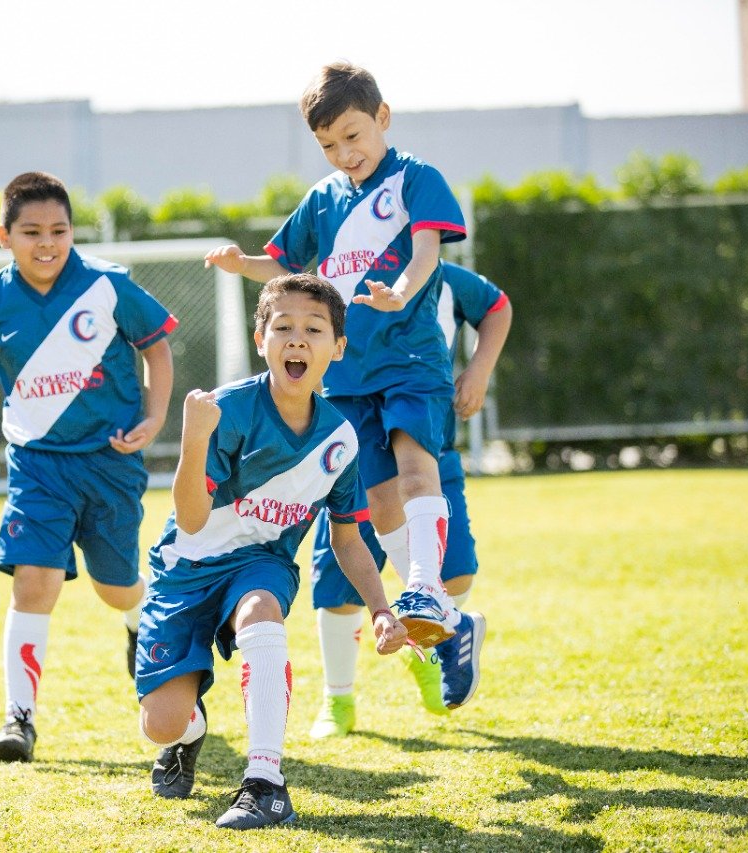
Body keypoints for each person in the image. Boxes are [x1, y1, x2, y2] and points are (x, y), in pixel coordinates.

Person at [204, 60, 485, 708]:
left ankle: (424, 586)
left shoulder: (417, 178)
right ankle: (450, 623)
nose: (344, 153)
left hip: (411, 358)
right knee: (379, 502)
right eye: (329, 145)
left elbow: (426, 252)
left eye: (353, 136)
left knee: (419, 471)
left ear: (382, 119)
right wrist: (236, 261)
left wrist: (401, 293)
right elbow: (280, 260)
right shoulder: (323, 200)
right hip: (348, 375)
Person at [0, 171, 176, 763]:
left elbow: (157, 347)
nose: (46, 243)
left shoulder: (108, 286)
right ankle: (19, 719)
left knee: (116, 590)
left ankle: (138, 621)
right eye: (31, 232)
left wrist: (155, 416)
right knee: (34, 583)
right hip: (37, 466)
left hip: (110, 463)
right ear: (4, 236)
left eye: (59, 230)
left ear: (72, 232)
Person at [134, 273, 407, 830]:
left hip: (262, 565)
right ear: (261, 339)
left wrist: (382, 608)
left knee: (262, 609)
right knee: (160, 723)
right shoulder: (228, 411)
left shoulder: (341, 440)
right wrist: (193, 439)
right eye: (282, 327)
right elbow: (189, 517)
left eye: (314, 329)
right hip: (186, 566)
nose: (297, 340)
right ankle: (189, 731)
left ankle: (264, 782)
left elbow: (348, 538)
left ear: (339, 347)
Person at [309, 262, 512, 736]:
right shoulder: (337, 269)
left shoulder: (439, 273)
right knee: (341, 588)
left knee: (455, 568)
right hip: (356, 451)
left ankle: (435, 638)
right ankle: (337, 700)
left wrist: (479, 371)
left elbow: (497, 307)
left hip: (427, 450)